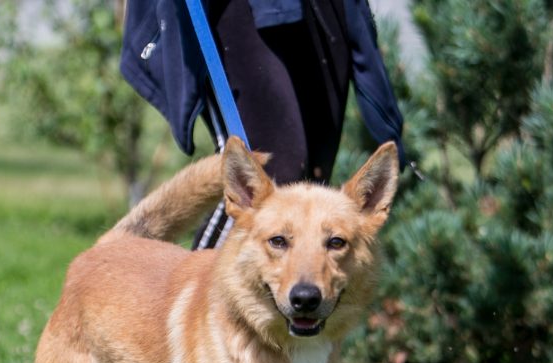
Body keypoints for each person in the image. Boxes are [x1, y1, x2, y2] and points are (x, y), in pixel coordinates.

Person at [120, 0, 407, 248]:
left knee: (308, 190)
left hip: (315, 10)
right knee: (264, 177)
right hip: (233, 8)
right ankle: (197, 308)